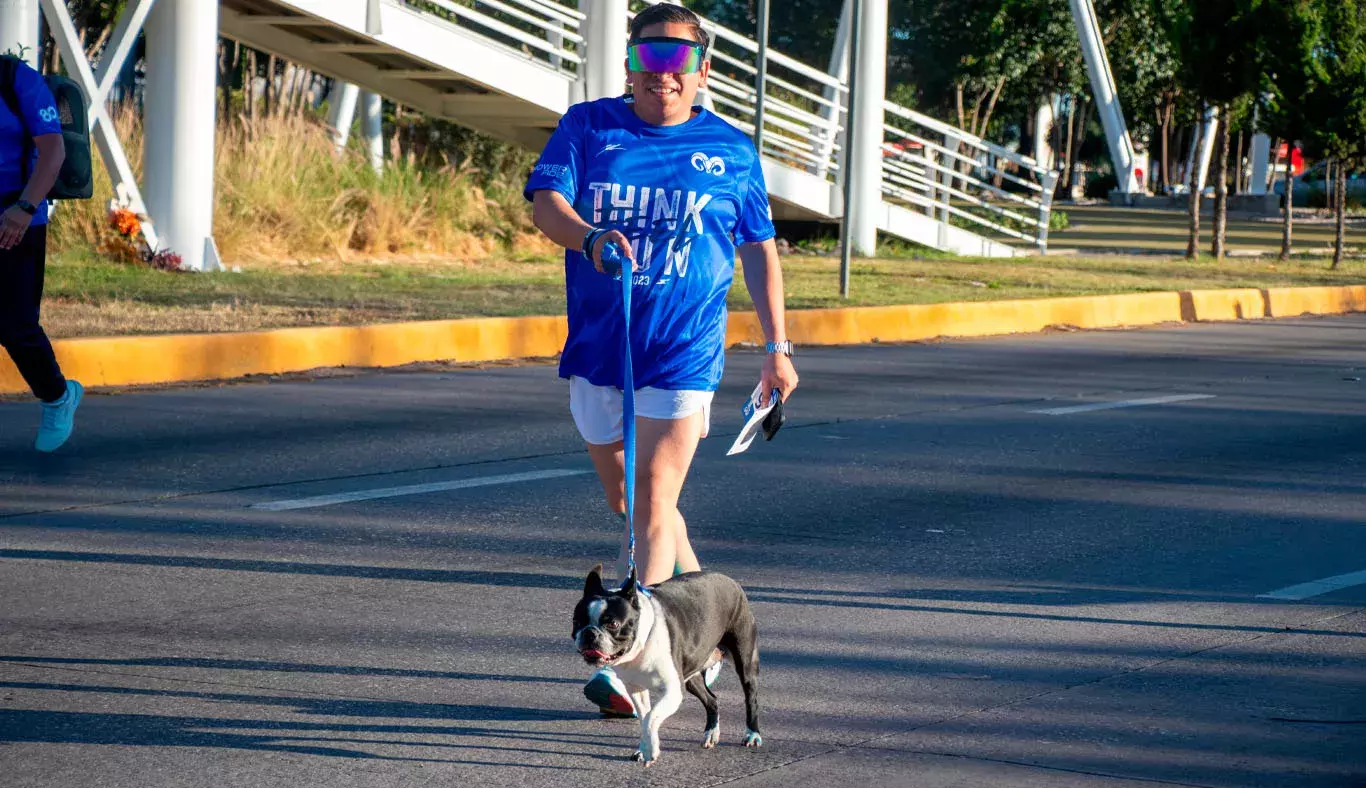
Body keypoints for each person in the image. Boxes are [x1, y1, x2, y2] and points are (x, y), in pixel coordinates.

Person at [523, 3, 797, 716]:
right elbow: (546, 202)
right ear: (631, 65)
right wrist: (587, 237)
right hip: (598, 347)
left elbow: (759, 250)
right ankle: (707, 610)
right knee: (630, 500)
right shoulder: (590, 125)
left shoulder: (731, 149)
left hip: (682, 350)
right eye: (650, 60)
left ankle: (628, 668)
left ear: (703, 70)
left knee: (651, 504)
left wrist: (777, 350)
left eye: (679, 62)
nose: (663, 76)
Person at [0, 56, 81, 451]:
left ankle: (57, 397)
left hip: (15, 215)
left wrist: (25, 208)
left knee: (15, 326)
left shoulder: (17, 79)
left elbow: (52, 153)